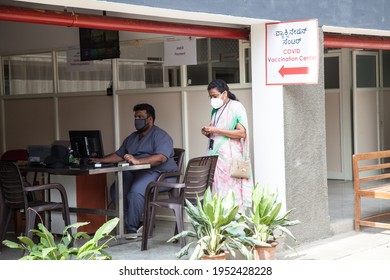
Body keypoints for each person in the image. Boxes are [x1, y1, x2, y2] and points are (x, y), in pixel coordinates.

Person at [90, 103, 177, 236]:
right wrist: (100, 160)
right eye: (135, 117)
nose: (137, 120)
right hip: (139, 172)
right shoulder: (132, 137)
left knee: (135, 192)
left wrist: (137, 161)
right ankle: (132, 220)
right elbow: (119, 155)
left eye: (140, 117)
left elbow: (160, 158)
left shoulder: (161, 136)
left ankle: (132, 228)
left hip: (160, 173)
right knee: (117, 189)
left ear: (150, 119)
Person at [201, 79, 253, 212]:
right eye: (210, 96)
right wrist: (208, 132)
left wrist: (216, 130)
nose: (212, 99)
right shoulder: (216, 109)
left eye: (215, 96)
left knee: (231, 192)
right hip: (216, 157)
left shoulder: (235, 106)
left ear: (224, 93)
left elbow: (241, 133)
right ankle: (220, 227)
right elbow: (217, 133)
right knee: (217, 190)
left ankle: (235, 228)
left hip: (229, 158)